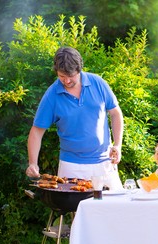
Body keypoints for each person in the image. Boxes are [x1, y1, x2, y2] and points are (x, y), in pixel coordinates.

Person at [25, 46, 124, 181]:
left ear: (79, 70)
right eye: (62, 76)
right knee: (72, 203)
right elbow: (37, 131)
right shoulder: (52, 95)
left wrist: (117, 145)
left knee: (112, 202)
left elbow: (115, 113)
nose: (66, 81)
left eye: (70, 76)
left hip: (105, 163)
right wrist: (33, 163)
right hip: (71, 166)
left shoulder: (98, 83)